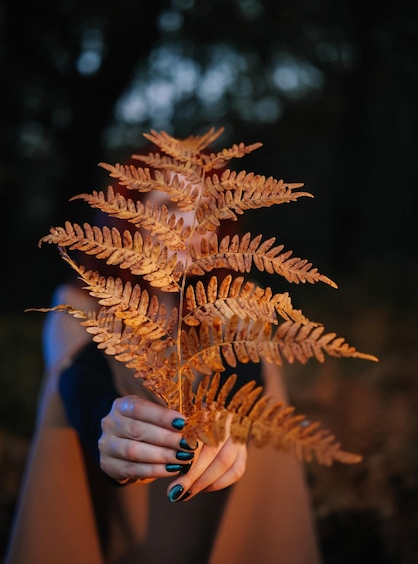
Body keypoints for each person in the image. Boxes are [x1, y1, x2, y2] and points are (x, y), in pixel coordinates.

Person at [5, 176, 323, 564]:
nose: (187, 224)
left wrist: (232, 415)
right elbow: (75, 376)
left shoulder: (237, 298)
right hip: (119, 505)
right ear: (128, 219)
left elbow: (251, 361)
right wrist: (106, 425)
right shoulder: (80, 300)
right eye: (170, 207)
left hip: (225, 486)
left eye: (203, 213)